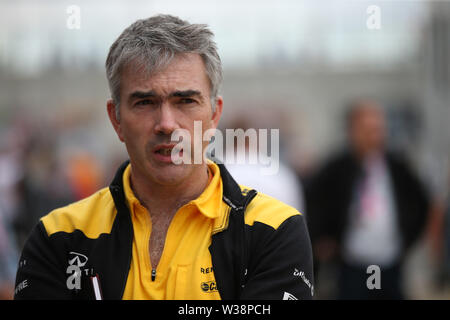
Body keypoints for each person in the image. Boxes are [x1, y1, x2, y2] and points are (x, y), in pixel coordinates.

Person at [14, 14, 313, 300]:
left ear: (214, 115)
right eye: (145, 102)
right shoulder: (57, 236)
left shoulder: (275, 230)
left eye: (185, 100)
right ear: (116, 119)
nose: (167, 124)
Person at [306, 100, 430, 299]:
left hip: (390, 263)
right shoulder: (336, 168)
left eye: (379, 129)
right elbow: (314, 202)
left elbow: (422, 202)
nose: (376, 136)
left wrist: (408, 238)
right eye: (368, 129)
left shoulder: (398, 166)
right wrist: (324, 240)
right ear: (353, 131)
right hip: (352, 266)